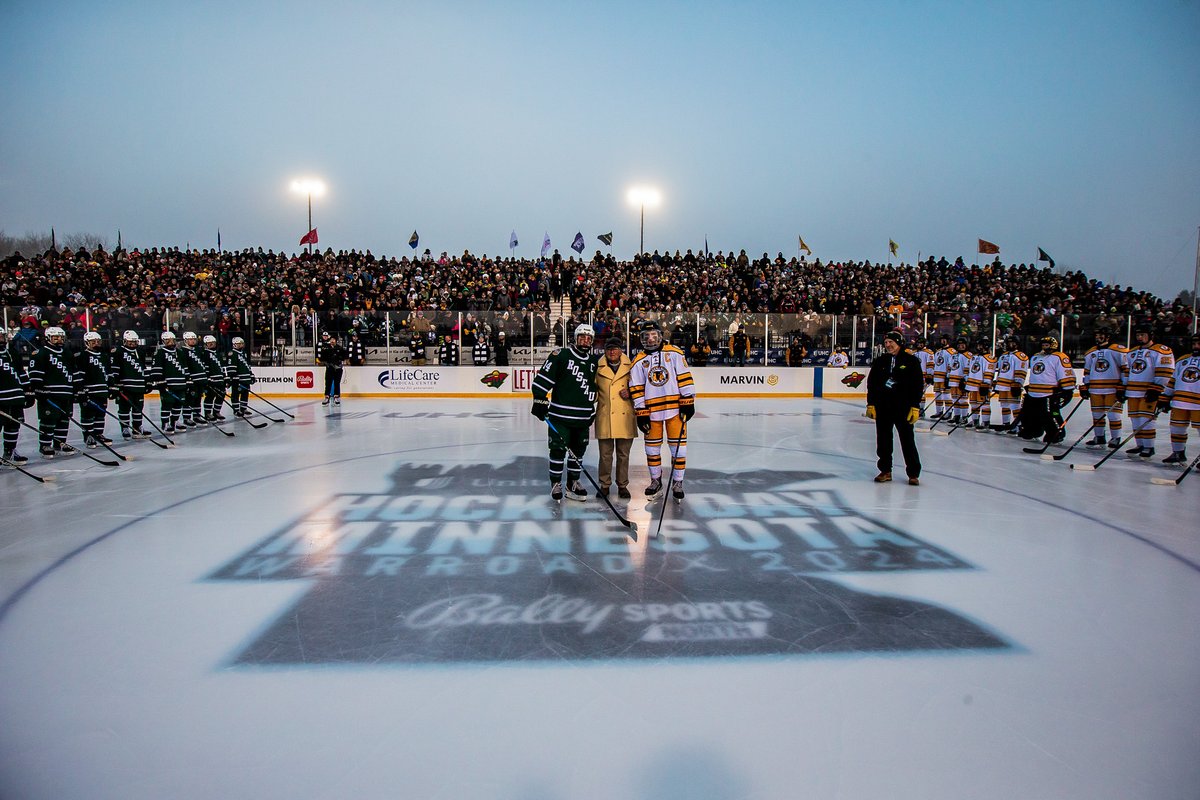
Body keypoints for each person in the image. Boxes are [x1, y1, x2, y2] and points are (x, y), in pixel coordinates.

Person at [531, 323, 598, 502]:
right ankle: (556, 483)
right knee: (558, 451)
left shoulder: (594, 362)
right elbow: (542, 381)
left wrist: (592, 411)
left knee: (578, 452)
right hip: (560, 417)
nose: (585, 341)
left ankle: (573, 483)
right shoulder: (561, 356)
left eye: (588, 338)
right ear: (574, 338)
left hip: (583, 418)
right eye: (582, 337)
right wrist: (539, 400)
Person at [629, 320, 696, 499]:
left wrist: (688, 400)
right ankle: (655, 480)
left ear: (660, 336)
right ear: (641, 339)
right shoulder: (638, 361)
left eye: (653, 336)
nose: (650, 340)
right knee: (652, 449)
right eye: (646, 336)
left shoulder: (674, 353)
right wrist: (641, 413)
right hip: (651, 413)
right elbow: (636, 388)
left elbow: (684, 377)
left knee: (679, 449)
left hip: (675, 409)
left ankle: (678, 482)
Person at [866, 331, 923, 485]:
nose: (888, 345)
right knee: (883, 440)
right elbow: (871, 383)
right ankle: (885, 470)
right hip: (883, 406)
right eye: (886, 343)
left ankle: (913, 473)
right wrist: (871, 403)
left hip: (902, 407)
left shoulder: (911, 361)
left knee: (907, 440)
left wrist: (915, 406)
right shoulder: (881, 361)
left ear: (899, 342)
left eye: (891, 342)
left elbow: (917, 385)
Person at [1123, 323, 1175, 459]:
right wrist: (1123, 387)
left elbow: (1166, 372)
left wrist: (1157, 389)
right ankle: (1140, 444)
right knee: (1135, 419)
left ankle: (1149, 446)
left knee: (1146, 419)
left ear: (1151, 335)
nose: (1139, 337)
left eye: (1143, 335)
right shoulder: (1132, 352)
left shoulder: (1161, 350)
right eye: (1138, 335)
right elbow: (1127, 371)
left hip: (1148, 392)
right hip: (1133, 391)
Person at [594, 339, 636, 499]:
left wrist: (631, 392)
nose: (612, 352)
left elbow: (640, 386)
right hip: (605, 415)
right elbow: (592, 390)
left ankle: (622, 485)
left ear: (621, 351)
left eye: (615, 349)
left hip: (625, 416)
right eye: (609, 349)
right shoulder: (598, 368)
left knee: (623, 454)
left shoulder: (631, 366)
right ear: (604, 351)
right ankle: (604, 485)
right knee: (605, 455)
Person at [30, 326, 78, 457]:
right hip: (49, 393)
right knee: (48, 420)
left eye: (61, 337)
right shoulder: (41, 353)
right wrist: (38, 389)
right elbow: (35, 374)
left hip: (66, 392)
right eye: (55, 337)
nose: (59, 340)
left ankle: (60, 443)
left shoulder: (67, 353)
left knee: (64, 419)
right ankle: (45, 444)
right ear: (48, 338)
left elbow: (74, 373)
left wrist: (77, 389)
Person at [1018, 335, 1075, 444]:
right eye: (1043, 345)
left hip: (1049, 393)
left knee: (1050, 415)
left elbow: (1066, 373)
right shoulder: (1035, 357)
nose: (1044, 347)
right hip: (1033, 392)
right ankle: (1033, 431)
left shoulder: (1059, 357)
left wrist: (1067, 389)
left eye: (1047, 345)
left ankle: (1056, 433)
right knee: (1030, 414)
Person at [1080, 327, 1128, 448]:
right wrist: (1086, 385)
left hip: (1112, 389)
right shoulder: (1091, 352)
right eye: (1096, 335)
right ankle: (1099, 437)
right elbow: (1087, 371)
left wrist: (1123, 386)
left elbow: (1125, 369)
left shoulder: (1118, 350)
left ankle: (1116, 438)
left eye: (1101, 335)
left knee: (1113, 415)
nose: (1098, 337)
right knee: (1097, 414)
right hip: (1095, 389)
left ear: (1108, 337)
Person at [1160, 332, 1200, 464]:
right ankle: (1178, 452)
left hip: (1198, 404)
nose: (1196, 346)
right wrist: (1165, 397)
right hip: (1179, 402)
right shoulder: (1183, 360)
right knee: (1177, 428)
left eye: (1199, 344)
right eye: (1194, 343)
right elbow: (1173, 380)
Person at [0, 327, 32, 464]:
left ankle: (10, 452)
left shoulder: (11, 352)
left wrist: (28, 392)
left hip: (16, 396)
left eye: (3, 335)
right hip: (1, 398)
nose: (2, 338)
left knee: (13, 425)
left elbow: (21, 373)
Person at [75, 331, 112, 447]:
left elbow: (109, 374)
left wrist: (112, 386)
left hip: (102, 390)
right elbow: (79, 375)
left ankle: (98, 434)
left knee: (101, 413)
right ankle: (88, 436)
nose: (96, 343)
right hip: (89, 391)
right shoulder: (82, 356)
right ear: (87, 343)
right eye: (93, 342)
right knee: (88, 414)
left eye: (98, 341)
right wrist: (81, 389)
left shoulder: (104, 356)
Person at [113, 330, 150, 439]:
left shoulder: (140, 352)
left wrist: (147, 382)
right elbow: (115, 369)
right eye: (130, 342)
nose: (133, 344)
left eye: (134, 342)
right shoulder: (119, 352)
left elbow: (144, 368)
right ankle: (125, 428)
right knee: (124, 408)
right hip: (125, 386)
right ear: (125, 341)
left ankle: (137, 427)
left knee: (138, 408)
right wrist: (116, 383)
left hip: (139, 386)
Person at [150, 331, 189, 433]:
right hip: (168, 384)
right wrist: (161, 382)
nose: (171, 342)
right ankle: (165, 423)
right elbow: (156, 370)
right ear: (163, 341)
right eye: (168, 340)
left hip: (180, 383)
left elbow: (185, 368)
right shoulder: (160, 353)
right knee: (167, 404)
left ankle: (175, 422)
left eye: (172, 340)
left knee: (178, 403)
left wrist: (188, 380)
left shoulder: (180, 353)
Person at [992, 337, 1029, 434]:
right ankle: (1006, 425)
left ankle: (1018, 426)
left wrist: (1018, 384)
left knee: (1015, 406)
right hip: (1002, 386)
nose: (1009, 345)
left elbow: (1021, 371)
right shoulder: (1003, 356)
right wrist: (997, 383)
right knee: (1004, 405)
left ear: (1017, 344)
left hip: (1012, 386)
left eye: (1012, 343)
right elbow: (1000, 371)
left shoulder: (1021, 356)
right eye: (1008, 343)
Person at [965, 338, 996, 430]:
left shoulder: (990, 358)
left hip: (982, 386)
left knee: (984, 404)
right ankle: (975, 420)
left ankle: (985, 422)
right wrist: (966, 382)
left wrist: (986, 384)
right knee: (973, 403)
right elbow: (969, 371)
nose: (978, 347)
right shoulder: (974, 357)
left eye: (980, 345)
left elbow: (989, 372)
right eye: (978, 345)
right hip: (972, 385)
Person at [178, 331, 208, 429]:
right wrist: (187, 378)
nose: (193, 341)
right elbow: (184, 366)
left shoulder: (198, 350)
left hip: (200, 379)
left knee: (198, 398)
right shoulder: (183, 351)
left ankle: (196, 416)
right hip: (192, 380)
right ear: (186, 340)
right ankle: (187, 418)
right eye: (190, 339)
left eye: (194, 339)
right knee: (190, 399)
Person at [226, 337, 255, 417]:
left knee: (245, 393)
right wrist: (233, 377)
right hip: (238, 379)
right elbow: (231, 367)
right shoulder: (232, 353)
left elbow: (247, 366)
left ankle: (243, 408)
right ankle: (236, 409)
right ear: (235, 344)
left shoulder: (243, 353)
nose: (241, 345)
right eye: (239, 344)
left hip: (246, 379)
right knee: (235, 394)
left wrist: (251, 375)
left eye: (242, 343)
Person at [200, 335, 227, 421]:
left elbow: (223, 367)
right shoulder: (205, 354)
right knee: (210, 396)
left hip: (220, 380)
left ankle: (216, 412)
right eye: (209, 343)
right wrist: (207, 378)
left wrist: (225, 377)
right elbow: (205, 367)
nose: (212, 344)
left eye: (213, 343)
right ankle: (208, 413)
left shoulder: (218, 354)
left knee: (221, 395)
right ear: (205, 344)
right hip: (211, 380)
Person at [317, 331, 345, 405]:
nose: (332, 341)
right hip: (329, 367)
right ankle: (327, 397)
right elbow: (322, 357)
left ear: (335, 340)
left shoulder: (339, 348)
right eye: (331, 339)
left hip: (338, 368)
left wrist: (339, 361)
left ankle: (336, 397)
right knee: (328, 382)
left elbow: (343, 357)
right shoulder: (326, 348)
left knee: (337, 382)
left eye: (333, 339)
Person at [931, 334, 955, 420]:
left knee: (946, 395)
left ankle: (949, 412)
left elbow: (951, 365)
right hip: (937, 377)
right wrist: (932, 375)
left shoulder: (952, 352)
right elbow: (935, 364)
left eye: (944, 340)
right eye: (941, 340)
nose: (942, 341)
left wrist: (948, 377)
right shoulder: (938, 352)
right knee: (938, 394)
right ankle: (939, 411)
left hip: (945, 377)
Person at [913, 337, 935, 417]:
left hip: (923, 376)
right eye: (918, 343)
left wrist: (929, 375)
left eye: (921, 343)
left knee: (921, 393)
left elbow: (930, 365)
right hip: (914, 376)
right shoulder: (914, 353)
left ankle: (921, 409)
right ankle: (914, 408)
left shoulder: (928, 353)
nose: (919, 344)